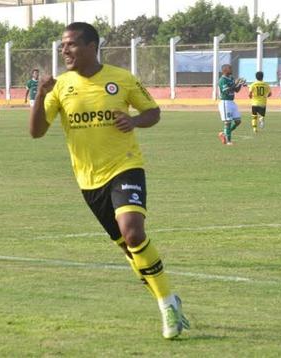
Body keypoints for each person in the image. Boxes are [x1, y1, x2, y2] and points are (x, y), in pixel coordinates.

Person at [28, 22, 189, 340]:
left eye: (71, 44)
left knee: (133, 232)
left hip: (125, 168)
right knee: (131, 251)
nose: (65, 50)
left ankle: (167, 304)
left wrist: (134, 120)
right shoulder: (60, 87)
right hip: (89, 181)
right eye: (62, 45)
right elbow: (36, 131)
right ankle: (165, 296)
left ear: (91, 47)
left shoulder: (121, 79)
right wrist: (40, 96)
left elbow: (153, 112)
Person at [217, 64, 244, 145]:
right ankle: (228, 141)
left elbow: (236, 90)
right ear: (225, 70)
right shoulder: (222, 80)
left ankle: (224, 134)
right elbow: (226, 91)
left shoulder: (231, 78)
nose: (232, 70)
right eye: (230, 68)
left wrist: (240, 84)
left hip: (232, 102)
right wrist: (234, 84)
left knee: (238, 121)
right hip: (225, 102)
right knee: (228, 122)